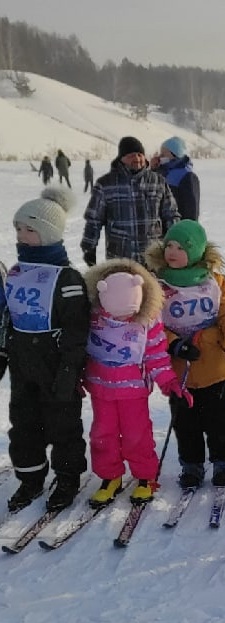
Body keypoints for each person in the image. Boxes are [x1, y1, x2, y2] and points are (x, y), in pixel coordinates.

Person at [4, 188, 90, 513]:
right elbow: (8, 317)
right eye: (18, 229)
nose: (22, 236)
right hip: (23, 365)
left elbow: (77, 327)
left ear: (49, 232)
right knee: (24, 423)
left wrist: (71, 368)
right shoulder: (16, 271)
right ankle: (31, 478)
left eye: (30, 229)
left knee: (63, 425)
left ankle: (67, 477)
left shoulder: (67, 277)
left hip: (57, 367)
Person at [83, 259, 192, 507]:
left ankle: (145, 475)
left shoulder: (147, 319)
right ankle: (110, 476)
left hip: (133, 391)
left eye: (129, 314)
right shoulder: (93, 317)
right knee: (102, 434)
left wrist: (170, 383)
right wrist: (76, 378)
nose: (124, 319)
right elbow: (82, 351)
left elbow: (156, 354)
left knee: (137, 434)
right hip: (101, 389)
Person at [144, 220, 225, 489]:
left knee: (219, 419)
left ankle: (223, 462)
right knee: (186, 422)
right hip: (178, 367)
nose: (172, 252)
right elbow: (153, 324)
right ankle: (192, 464)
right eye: (169, 246)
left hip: (213, 363)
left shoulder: (214, 282)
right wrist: (173, 343)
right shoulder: (158, 285)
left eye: (181, 247)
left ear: (196, 251)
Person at [81, 137, 180, 267]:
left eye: (140, 154)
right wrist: (89, 248)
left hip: (153, 260)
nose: (137, 159)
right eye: (131, 155)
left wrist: (177, 244)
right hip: (120, 259)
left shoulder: (158, 181)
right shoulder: (106, 184)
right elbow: (94, 220)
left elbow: (171, 215)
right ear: (121, 158)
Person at [154, 136, 201, 221]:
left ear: (174, 154)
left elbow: (191, 210)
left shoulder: (187, 176)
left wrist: (187, 229)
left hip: (178, 226)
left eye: (163, 154)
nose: (160, 157)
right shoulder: (161, 171)